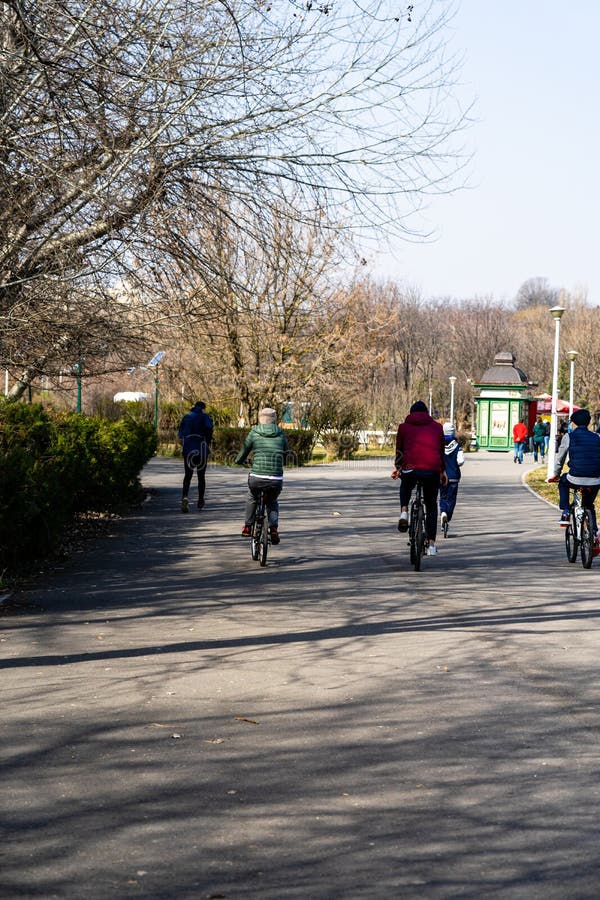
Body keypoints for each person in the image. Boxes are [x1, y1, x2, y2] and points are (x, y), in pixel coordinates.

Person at [391, 400, 448, 557]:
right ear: (427, 413)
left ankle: (404, 512)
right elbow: (441, 452)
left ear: (411, 413)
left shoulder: (403, 427)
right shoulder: (437, 427)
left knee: (405, 485)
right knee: (431, 506)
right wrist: (443, 471)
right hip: (432, 469)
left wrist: (398, 468)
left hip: (410, 468)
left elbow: (399, 451)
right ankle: (431, 545)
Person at [235, 407, 290, 544]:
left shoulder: (254, 432)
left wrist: (238, 461)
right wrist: (283, 462)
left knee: (252, 496)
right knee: (272, 501)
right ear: (274, 419)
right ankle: (274, 529)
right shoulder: (281, 433)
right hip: (275, 478)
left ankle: (248, 526)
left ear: (260, 419)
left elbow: (244, 450)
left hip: (257, 478)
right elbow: (286, 454)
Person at [547, 409, 600, 539]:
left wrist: (556, 474)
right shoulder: (597, 437)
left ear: (574, 423)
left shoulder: (568, 437)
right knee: (589, 505)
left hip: (575, 478)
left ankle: (565, 512)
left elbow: (560, 459)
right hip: (595, 480)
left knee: (563, 482)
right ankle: (594, 535)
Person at [177, 400, 214, 512]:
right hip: (201, 449)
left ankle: (185, 497)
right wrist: (208, 441)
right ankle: (200, 500)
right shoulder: (205, 417)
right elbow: (209, 428)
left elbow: (180, 435)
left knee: (188, 475)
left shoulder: (186, 417)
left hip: (189, 449)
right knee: (201, 476)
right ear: (203, 408)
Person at [439, 422, 464, 534]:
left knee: (443, 496)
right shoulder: (457, 446)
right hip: (454, 476)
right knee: (452, 499)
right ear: (453, 432)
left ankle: (443, 512)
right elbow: (460, 461)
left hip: (441, 476)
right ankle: (447, 516)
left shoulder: (439, 444)